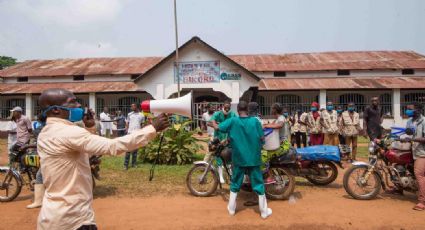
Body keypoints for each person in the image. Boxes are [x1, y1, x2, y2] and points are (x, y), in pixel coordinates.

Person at [36, 88, 169, 230]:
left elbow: (75, 152)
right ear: (56, 110)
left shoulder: (47, 132)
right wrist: (151, 129)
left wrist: (91, 127)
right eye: (73, 102)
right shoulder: (68, 132)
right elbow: (112, 146)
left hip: (52, 217)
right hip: (73, 219)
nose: (79, 106)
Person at [212, 101, 272, 219]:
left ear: (238, 110)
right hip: (254, 159)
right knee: (258, 184)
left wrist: (213, 121)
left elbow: (217, 127)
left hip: (238, 158)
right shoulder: (255, 121)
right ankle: (264, 212)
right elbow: (262, 138)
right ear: (248, 111)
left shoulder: (233, 121)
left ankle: (231, 209)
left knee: (235, 183)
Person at [206, 100, 237, 184]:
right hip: (219, 138)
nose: (227, 109)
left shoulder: (233, 114)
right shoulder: (217, 114)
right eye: (225, 108)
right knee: (219, 157)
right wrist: (216, 125)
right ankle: (220, 176)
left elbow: (236, 123)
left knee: (229, 157)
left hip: (228, 138)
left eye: (228, 108)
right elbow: (210, 122)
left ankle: (230, 176)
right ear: (222, 107)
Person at [403, 102, 425, 211]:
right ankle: (398, 188)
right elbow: (408, 133)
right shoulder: (409, 121)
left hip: (422, 153)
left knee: (419, 174)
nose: (407, 111)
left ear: (417, 110)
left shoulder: (424, 121)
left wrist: (412, 139)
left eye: (410, 109)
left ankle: (422, 201)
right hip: (413, 150)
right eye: (407, 109)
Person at [124, 104, 145, 170]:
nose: (131, 107)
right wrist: (126, 130)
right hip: (130, 133)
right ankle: (126, 165)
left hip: (137, 134)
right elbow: (127, 123)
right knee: (128, 149)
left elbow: (142, 124)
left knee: (135, 150)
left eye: (133, 106)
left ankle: (134, 164)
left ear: (137, 107)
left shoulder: (141, 115)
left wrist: (141, 132)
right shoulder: (129, 114)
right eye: (131, 106)